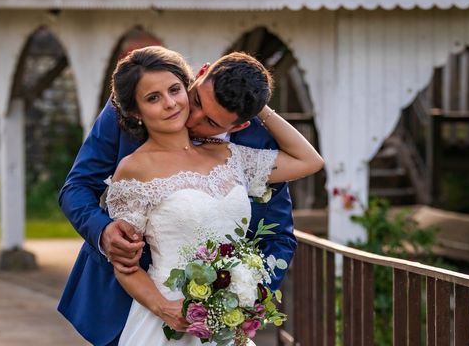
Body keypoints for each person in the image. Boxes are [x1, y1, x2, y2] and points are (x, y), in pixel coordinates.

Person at [58, 48, 313, 345]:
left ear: (240, 123)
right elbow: (76, 187)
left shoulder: (248, 146)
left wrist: (242, 299)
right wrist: (103, 231)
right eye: (196, 101)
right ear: (199, 74)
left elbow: (280, 234)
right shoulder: (133, 105)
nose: (187, 114)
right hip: (135, 303)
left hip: (221, 318)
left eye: (213, 122)